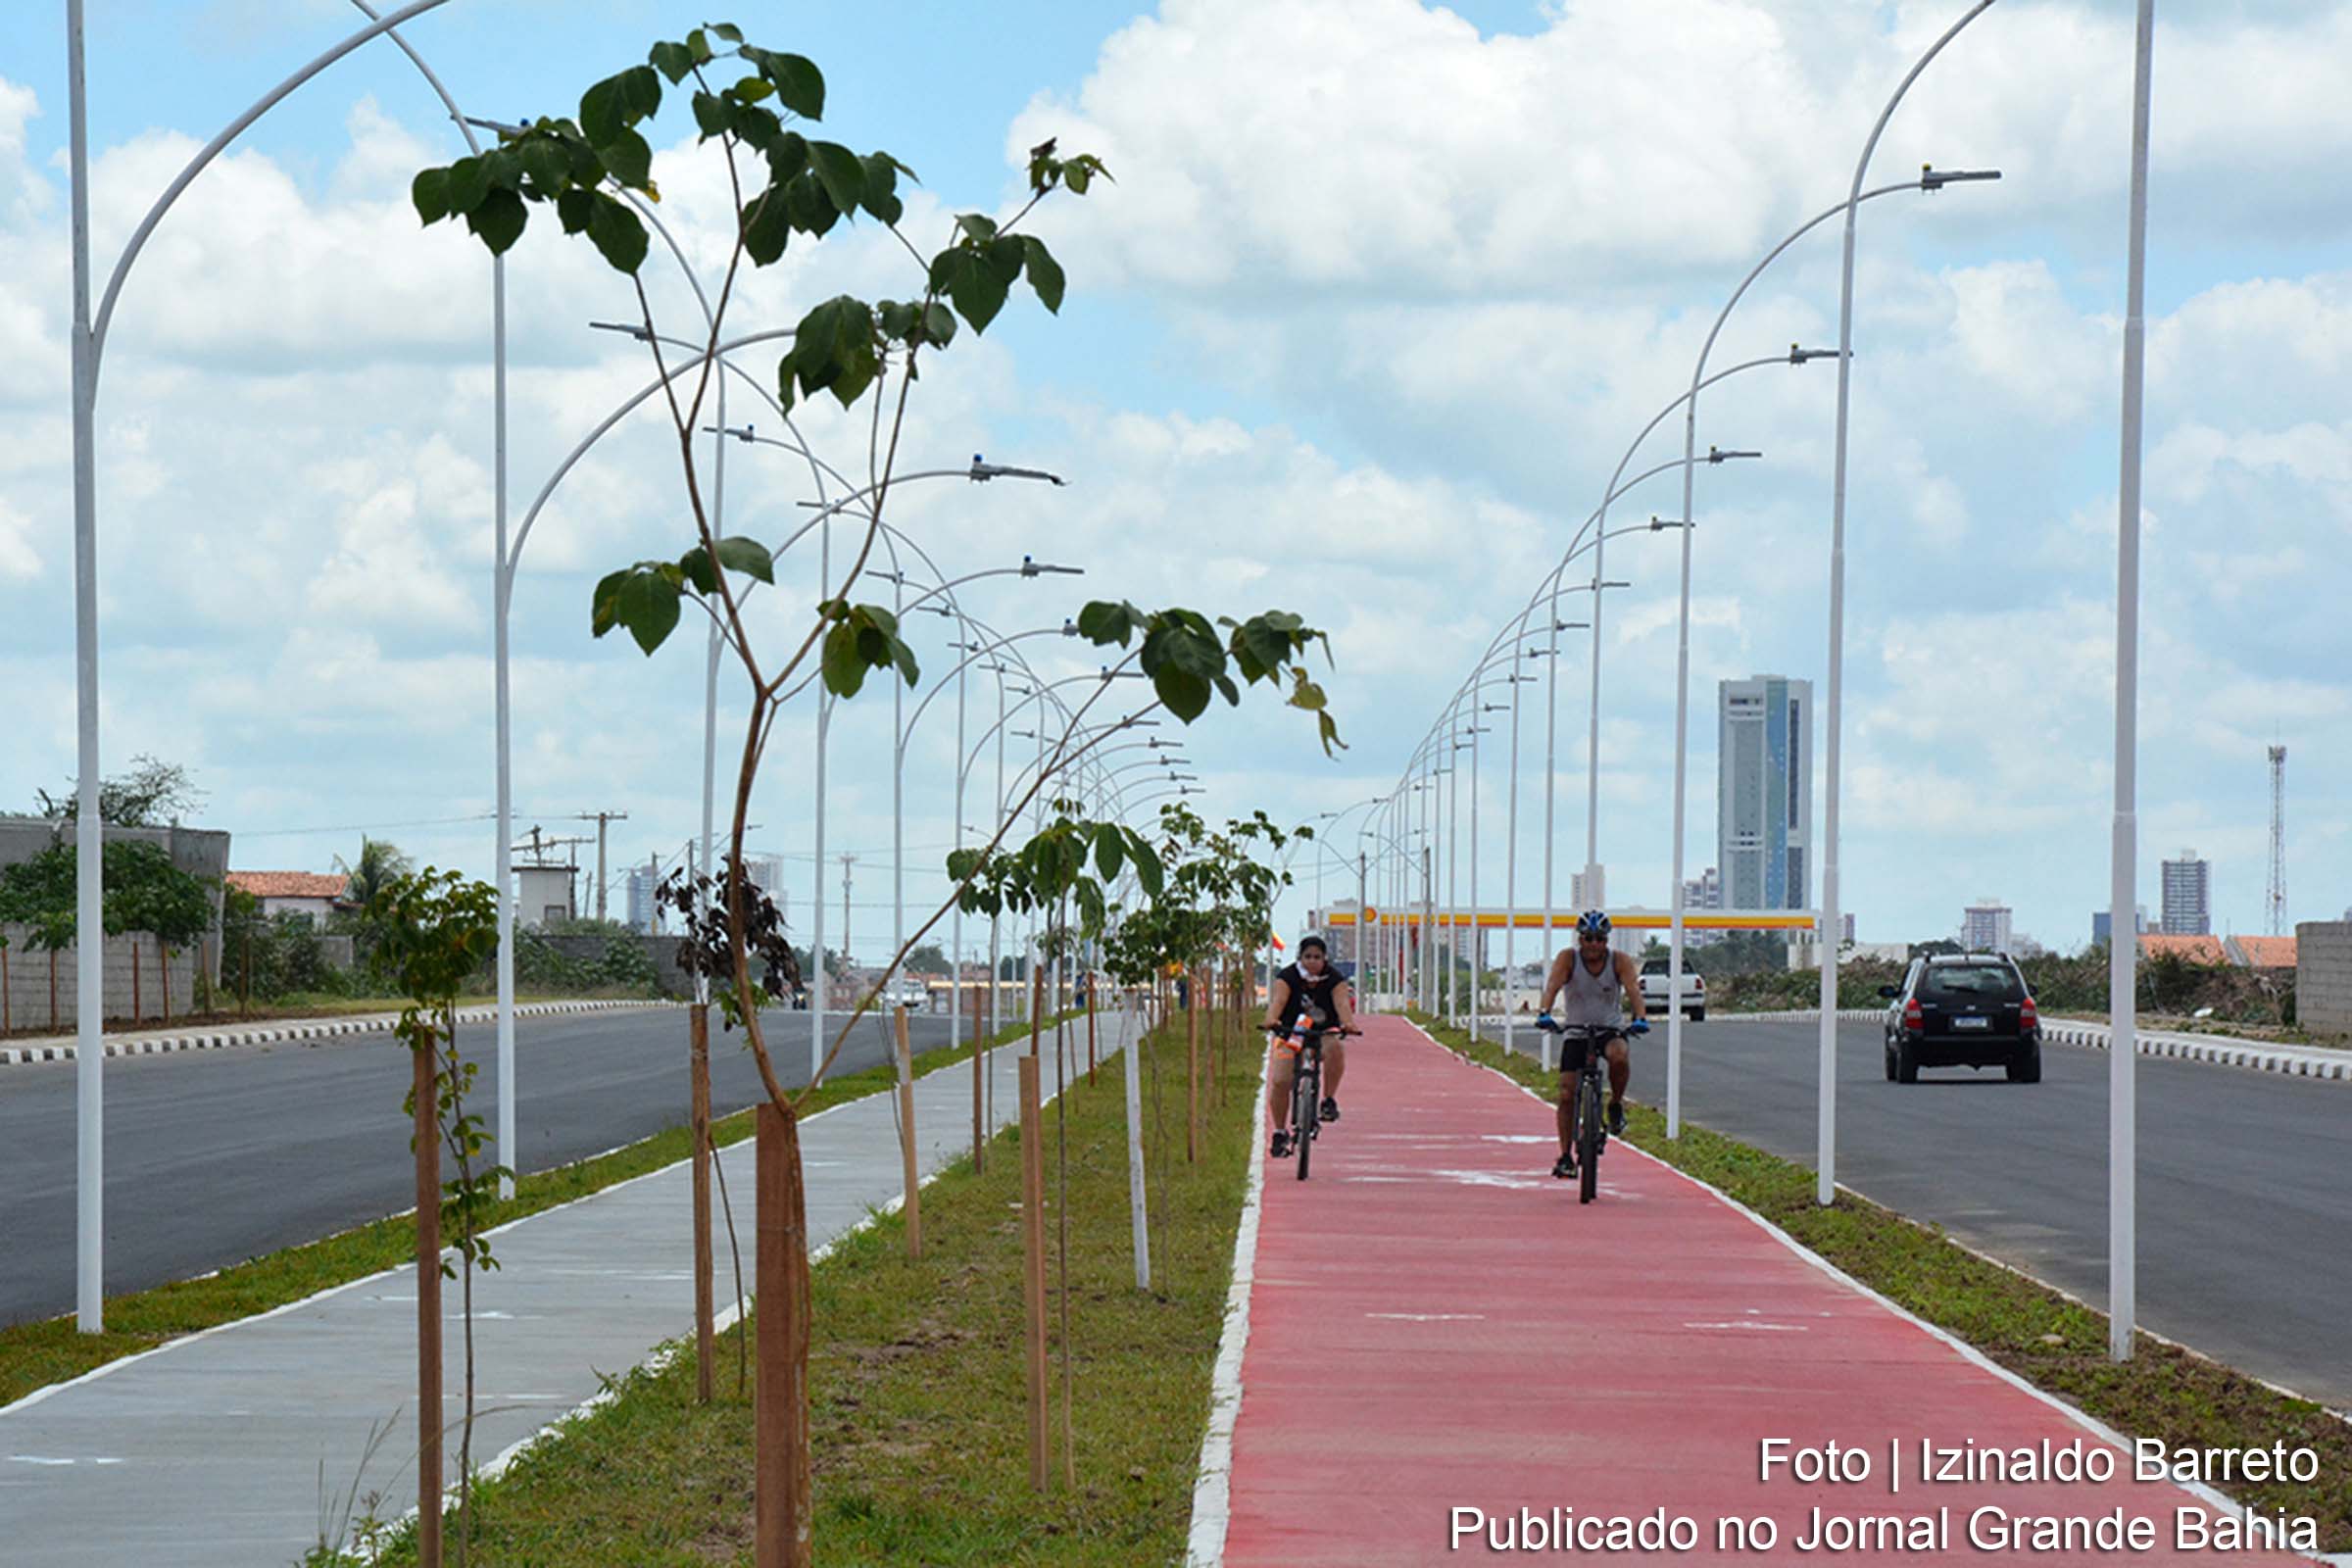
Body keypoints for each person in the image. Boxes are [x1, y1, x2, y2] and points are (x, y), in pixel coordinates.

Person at [1536, 909, 1647, 1179]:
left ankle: (1616, 1104)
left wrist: (1640, 1017)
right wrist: (1544, 1012)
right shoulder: (1568, 959)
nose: (1594, 945)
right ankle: (1565, 1156)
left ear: (1606, 940)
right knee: (1566, 1094)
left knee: (1619, 1056)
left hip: (1608, 1029)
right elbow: (1552, 985)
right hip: (1576, 1030)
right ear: (1580, 939)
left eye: (1599, 939)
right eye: (1588, 938)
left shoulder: (1619, 960)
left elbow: (1633, 988)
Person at [1261, 934, 1358, 1159]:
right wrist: (1271, 1019)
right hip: (1290, 1034)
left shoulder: (1334, 978)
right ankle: (1279, 1131)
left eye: (1317, 957)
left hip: (1322, 1032)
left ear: (1325, 958)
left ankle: (1328, 1100)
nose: (1312, 961)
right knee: (1281, 1080)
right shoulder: (1287, 976)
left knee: (1335, 1048)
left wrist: (1348, 1023)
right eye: (1308, 957)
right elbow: (1278, 1001)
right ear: (1300, 958)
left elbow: (1342, 1003)